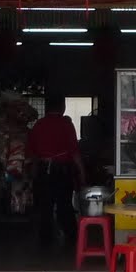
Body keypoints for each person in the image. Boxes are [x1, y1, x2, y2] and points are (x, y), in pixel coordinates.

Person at [25, 95, 82, 247]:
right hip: (62, 170)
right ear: (62, 107)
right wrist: (82, 171)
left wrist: (33, 173)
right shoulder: (66, 124)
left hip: (44, 170)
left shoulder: (39, 125)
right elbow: (74, 151)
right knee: (64, 204)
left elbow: (32, 153)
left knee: (45, 205)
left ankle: (45, 239)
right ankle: (72, 237)